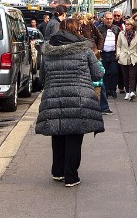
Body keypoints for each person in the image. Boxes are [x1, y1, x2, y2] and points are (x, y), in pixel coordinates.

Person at [34, 17, 104, 187]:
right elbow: (97, 74)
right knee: (74, 135)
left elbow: (42, 77)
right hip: (79, 97)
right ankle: (71, 176)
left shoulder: (48, 51)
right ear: (75, 31)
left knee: (57, 132)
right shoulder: (84, 50)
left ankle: (57, 171)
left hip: (53, 96)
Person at [116, 19, 137, 101]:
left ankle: (132, 92)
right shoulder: (121, 34)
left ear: (132, 25)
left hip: (133, 57)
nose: (126, 26)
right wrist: (119, 55)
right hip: (124, 56)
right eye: (126, 24)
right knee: (125, 76)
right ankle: (127, 92)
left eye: (128, 24)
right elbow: (118, 45)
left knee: (132, 76)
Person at [97, 12, 121, 100]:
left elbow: (120, 41)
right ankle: (106, 91)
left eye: (110, 19)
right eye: (107, 19)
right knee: (104, 73)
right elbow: (96, 40)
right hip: (103, 54)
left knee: (114, 72)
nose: (109, 20)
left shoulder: (117, 29)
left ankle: (113, 89)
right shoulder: (99, 29)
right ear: (104, 19)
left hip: (113, 54)